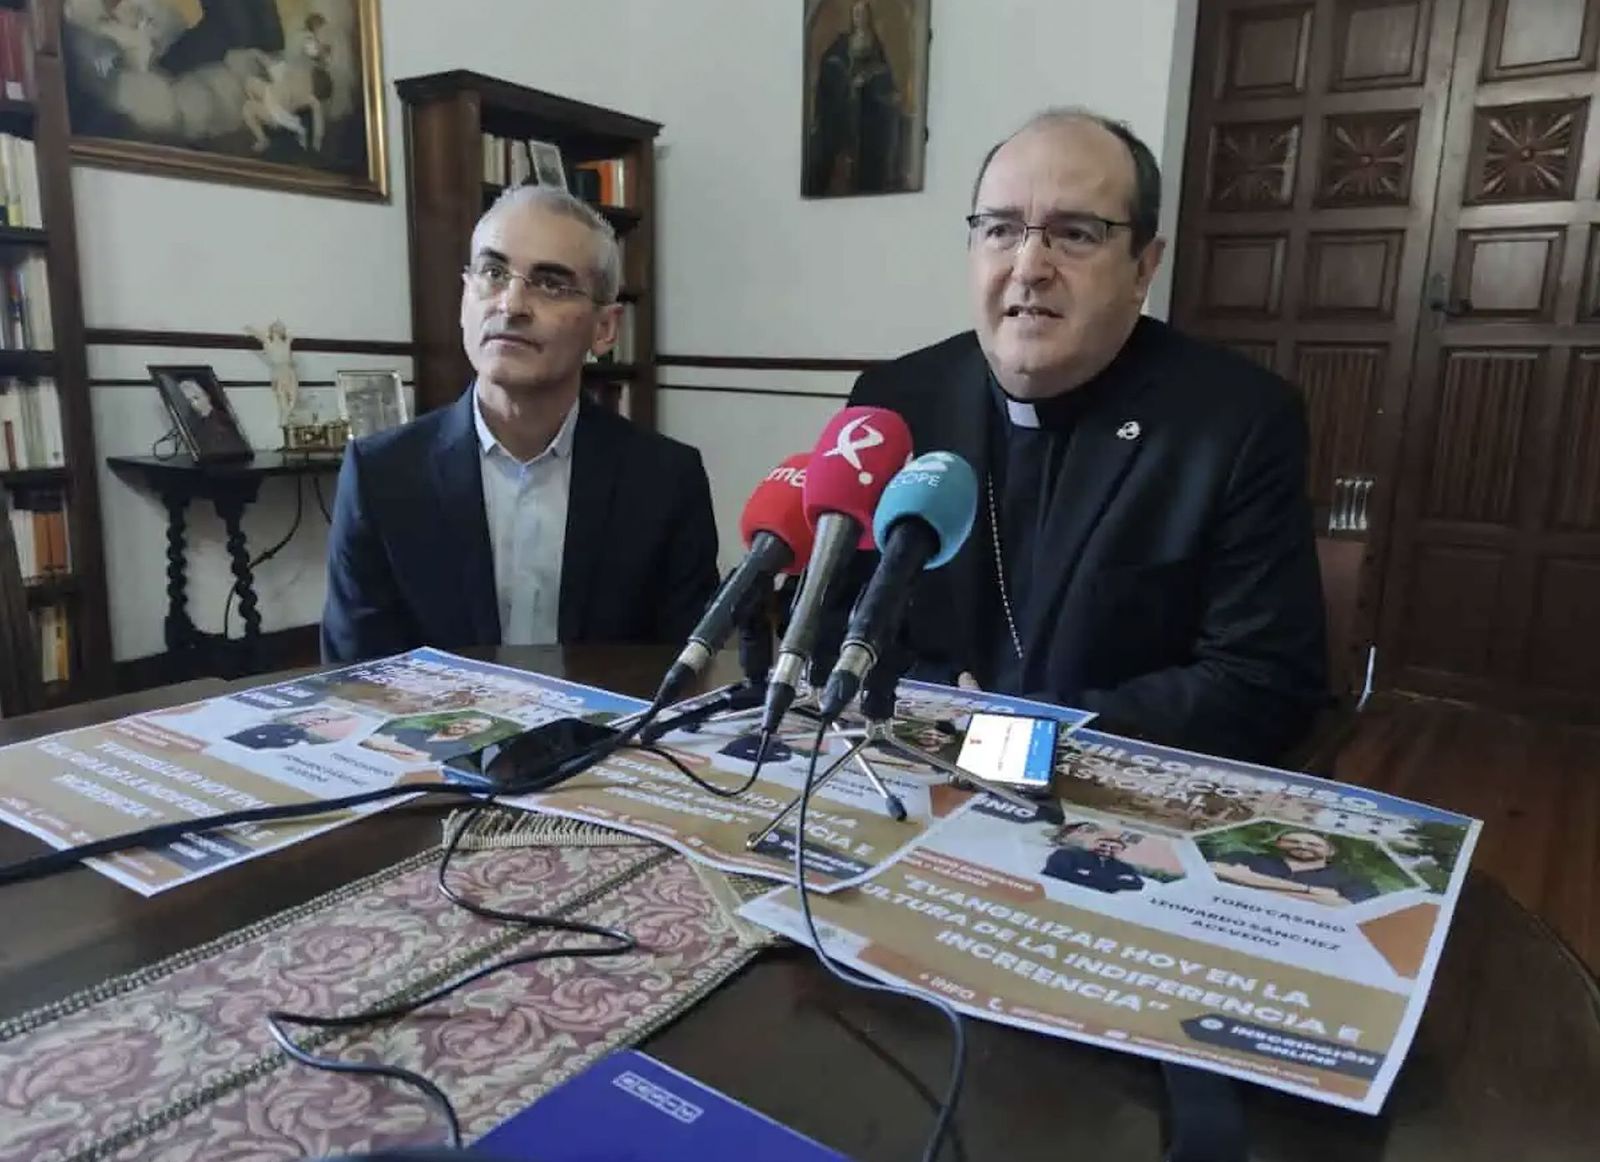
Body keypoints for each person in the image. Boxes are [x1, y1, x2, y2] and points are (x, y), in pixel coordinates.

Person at [843, 108, 1327, 764]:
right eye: (1001, 229)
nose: (1029, 266)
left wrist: (1022, 735)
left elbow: (1260, 683)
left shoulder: (1236, 422)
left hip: (1103, 786)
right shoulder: (895, 402)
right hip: (913, 763)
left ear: (1142, 269)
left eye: (1074, 234)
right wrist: (944, 712)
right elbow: (832, 629)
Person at [322, 185, 720, 663]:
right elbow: (357, 678)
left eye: (551, 283)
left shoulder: (666, 480)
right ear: (465, 298)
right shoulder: (380, 474)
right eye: (493, 272)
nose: (511, 305)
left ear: (606, 328)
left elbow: (683, 674)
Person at [804, 0, 904, 195]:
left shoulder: (874, 42)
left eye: (864, 13)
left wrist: (873, 79)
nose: (860, 17)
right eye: (857, 13)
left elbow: (884, 72)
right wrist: (848, 79)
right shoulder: (843, 41)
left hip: (868, 105)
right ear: (852, 17)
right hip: (845, 103)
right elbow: (832, 62)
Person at [1209, 830, 1376, 905]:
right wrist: (1308, 890)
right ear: (1278, 843)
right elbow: (1215, 869)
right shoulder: (1247, 857)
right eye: (1293, 841)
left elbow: (1343, 905)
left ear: (1331, 851)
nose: (1303, 846)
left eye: (1313, 844)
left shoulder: (1351, 879)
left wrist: (1246, 882)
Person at [1042, 822, 1145, 894]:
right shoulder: (1068, 854)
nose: (1107, 849)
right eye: (1103, 845)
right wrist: (1109, 881)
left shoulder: (1124, 867)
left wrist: (1094, 878)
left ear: (1121, 850)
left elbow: (1137, 884)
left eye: (1114, 848)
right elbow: (1059, 873)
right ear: (1093, 844)